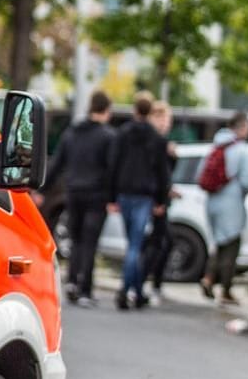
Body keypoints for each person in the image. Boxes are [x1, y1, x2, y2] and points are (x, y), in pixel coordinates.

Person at [47, 90, 116, 308]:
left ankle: (72, 282)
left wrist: (41, 188)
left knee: (76, 240)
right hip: (97, 194)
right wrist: (113, 197)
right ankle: (85, 288)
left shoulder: (72, 133)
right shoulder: (108, 136)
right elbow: (112, 169)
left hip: (73, 192)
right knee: (89, 242)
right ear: (106, 110)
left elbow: (58, 163)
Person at [109, 92, 172, 310]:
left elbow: (113, 165)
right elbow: (162, 172)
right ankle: (128, 289)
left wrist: (111, 196)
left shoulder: (122, 134)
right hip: (144, 195)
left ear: (135, 109)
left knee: (132, 243)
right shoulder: (156, 138)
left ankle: (132, 289)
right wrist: (161, 200)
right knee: (135, 244)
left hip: (125, 193)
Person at [202, 111, 248, 304]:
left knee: (218, 243)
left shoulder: (216, 146)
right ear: (242, 127)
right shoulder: (241, 150)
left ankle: (208, 278)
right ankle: (225, 288)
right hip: (231, 203)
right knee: (231, 246)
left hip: (212, 202)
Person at [137, 100, 180, 305]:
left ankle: (150, 282)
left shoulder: (163, 143)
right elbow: (154, 173)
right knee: (157, 242)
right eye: (161, 118)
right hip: (153, 199)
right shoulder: (152, 142)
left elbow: (166, 174)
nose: (165, 123)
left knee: (160, 242)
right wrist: (159, 199)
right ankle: (145, 282)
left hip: (160, 198)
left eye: (167, 119)